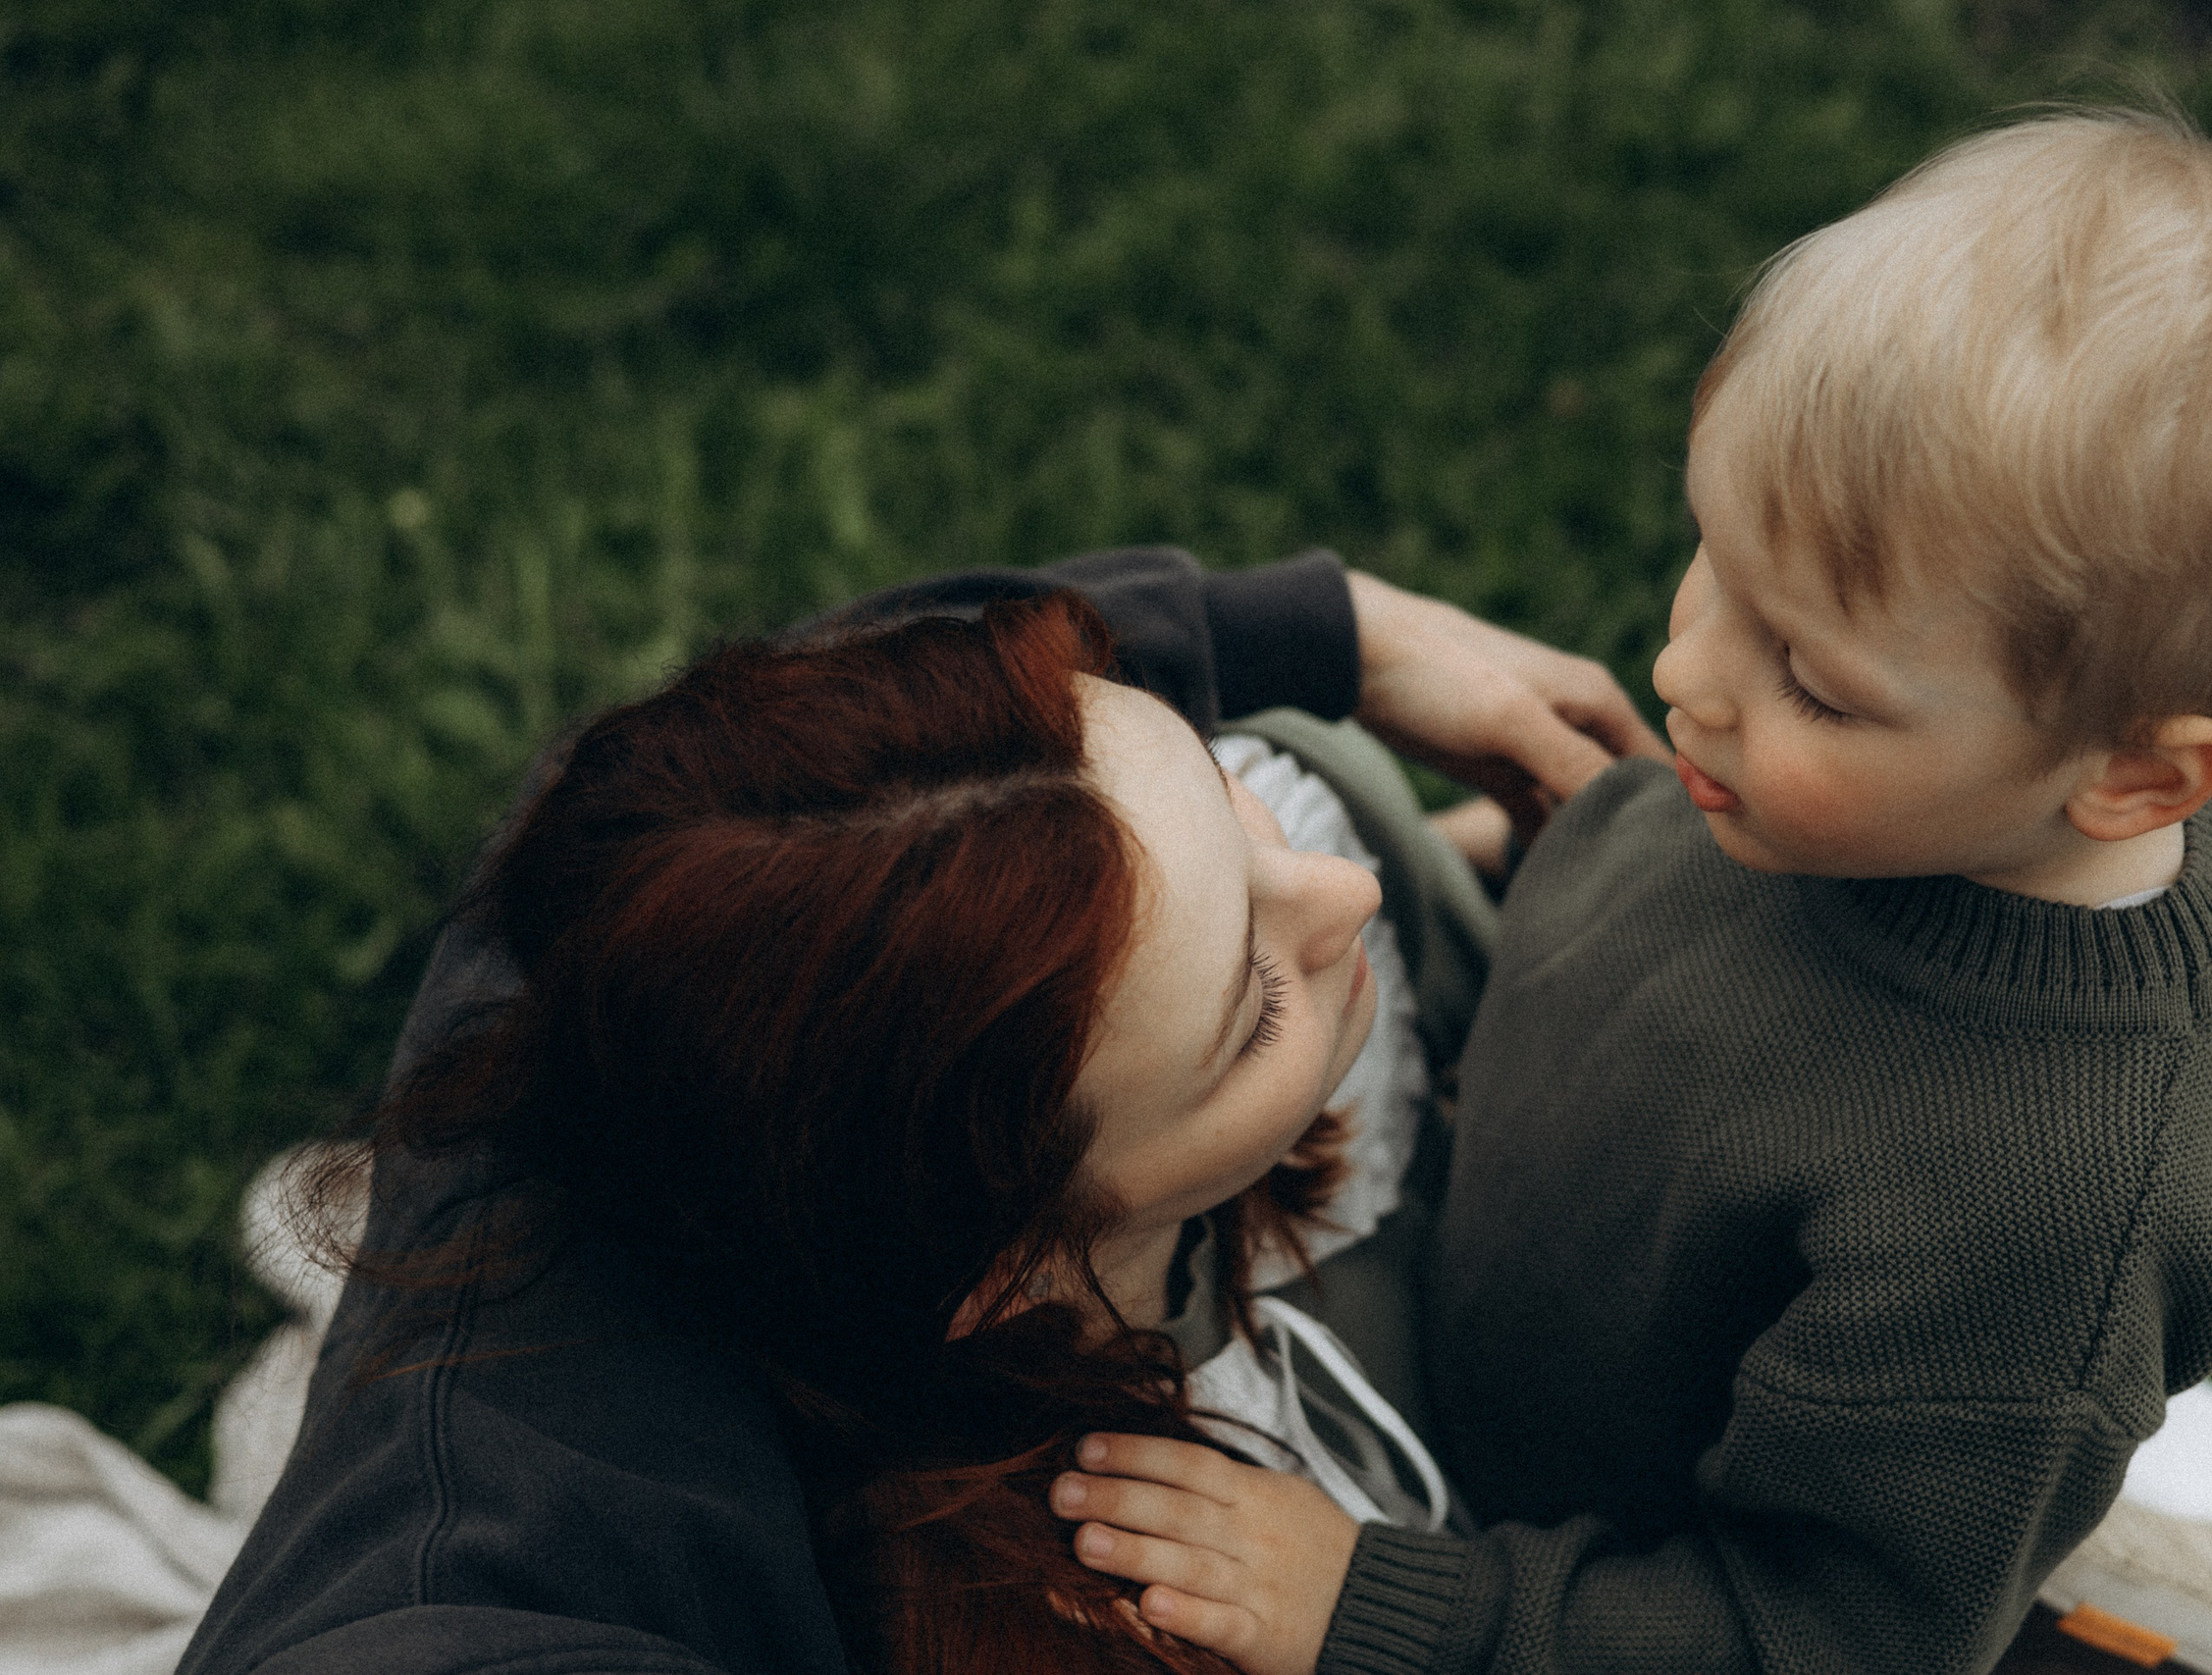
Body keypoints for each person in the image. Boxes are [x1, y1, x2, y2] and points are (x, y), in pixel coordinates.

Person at [1051, 108, 2212, 1674]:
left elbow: (1826, 1637)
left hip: (1541, 1566)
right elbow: (1704, 960)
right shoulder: (1870, 805)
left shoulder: (2036, 1225)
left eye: (1816, 684)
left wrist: (1373, 1604)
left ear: (2133, 778)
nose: (1686, 677)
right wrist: (1508, 864)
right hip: (1474, 1255)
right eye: (1713, 557)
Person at [172, 546, 1664, 1675]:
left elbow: (819, 766)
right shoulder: (539, 1571)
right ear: (1005, 1267)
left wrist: (1324, 627)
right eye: (1246, 1014)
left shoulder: (634, 927)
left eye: (1223, 801)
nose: (1335, 895)